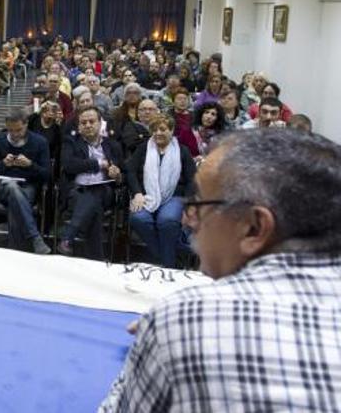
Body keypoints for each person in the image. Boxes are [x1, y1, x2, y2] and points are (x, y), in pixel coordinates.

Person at [101, 129, 341, 412]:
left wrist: (170, 332)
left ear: (253, 227)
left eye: (199, 203)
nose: (190, 220)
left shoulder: (184, 320)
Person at [125, 115, 196, 268]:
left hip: (175, 195)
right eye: (154, 129)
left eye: (163, 129)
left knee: (167, 221)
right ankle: (171, 259)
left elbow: (192, 179)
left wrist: (188, 205)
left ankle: (167, 263)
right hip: (146, 195)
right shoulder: (144, 148)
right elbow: (130, 170)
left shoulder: (182, 151)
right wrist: (137, 193)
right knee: (138, 218)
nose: (158, 133)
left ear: (171, 131)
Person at [58, 107, 124, 260]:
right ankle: (97, 260)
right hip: (77, 191)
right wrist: (99, 164)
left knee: (97, 190)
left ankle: (68, 237)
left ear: (100, 123)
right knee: (94, 208)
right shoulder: (71, 142)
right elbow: (69, 165)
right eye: (83, 122)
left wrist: (118, 175)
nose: (88, 125)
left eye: (92, 121)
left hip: (105, 191)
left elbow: (122, 175)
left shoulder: (113, 145)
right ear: (79, 126)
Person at [0, 108, 51, 254]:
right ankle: (34, 237)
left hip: (28, 186)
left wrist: (30, 165)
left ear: (26, 124)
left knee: (15, 199)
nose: (15, 134)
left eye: (19, 130)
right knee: (12, 187)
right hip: (3, 184)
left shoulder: (40, 142)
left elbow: (47, 174)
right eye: (11, 130)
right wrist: (3, 164)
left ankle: (14, 251)